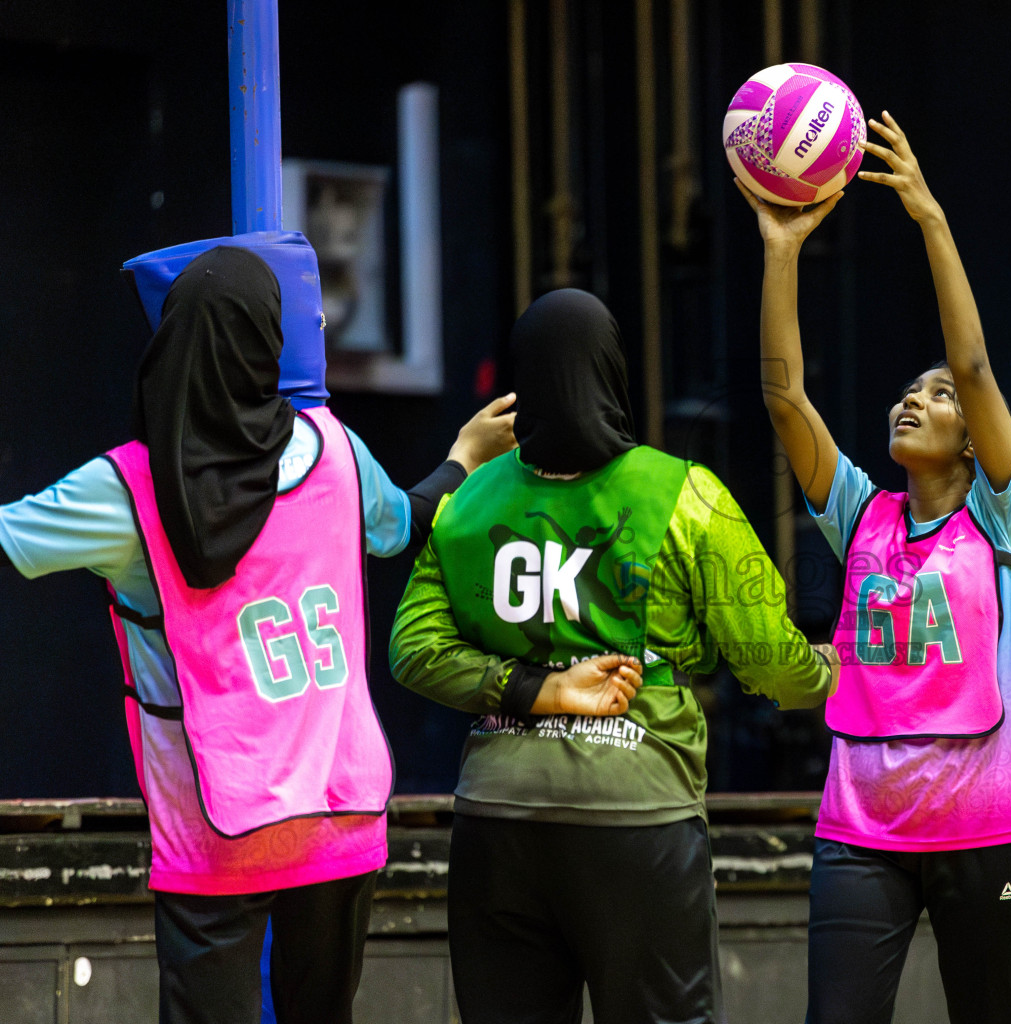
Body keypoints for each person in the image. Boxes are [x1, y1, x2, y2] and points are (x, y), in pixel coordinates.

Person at [0, 244, 537, 1024]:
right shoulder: (335, 451)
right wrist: (461, 458)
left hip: (213, 835)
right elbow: (399, 529)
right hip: (340, 815)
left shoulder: (125, 491)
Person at [387, 287, 835, 1024]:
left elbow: (414, 651)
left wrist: (531, 686)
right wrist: (840, 671)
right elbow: (770, 662)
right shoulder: (687, 494)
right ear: (613, 372)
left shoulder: (465, 501)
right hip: (638, 824)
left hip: (497, 824)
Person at [740, 111, 1011, 1024]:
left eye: (938, 397)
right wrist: (781, 246)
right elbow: (783, 396)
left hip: (986, 828)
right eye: (910, 392)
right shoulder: (862, 513)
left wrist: (929, 217)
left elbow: (977, 363)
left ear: (970, 434)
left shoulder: (1006, 518)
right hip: (861, 830)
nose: (916, 399)